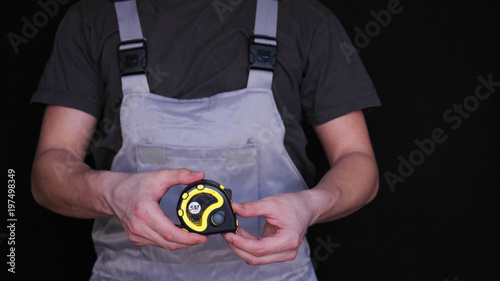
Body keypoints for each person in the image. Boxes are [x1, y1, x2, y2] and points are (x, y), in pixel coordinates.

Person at [31, 0, 380, 280]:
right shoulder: (94, 17)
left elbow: (357, 160)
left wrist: (311, 205)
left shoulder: (304, 17)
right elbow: (48, 172)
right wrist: (111, 193)